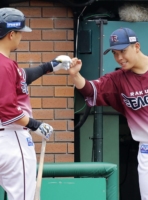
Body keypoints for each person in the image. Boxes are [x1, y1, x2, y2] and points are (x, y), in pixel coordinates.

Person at [65, 27, 148, 199]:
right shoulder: (117, 79)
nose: (119, 57)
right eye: (115, 53)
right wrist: (76, 76)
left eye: (123, 51)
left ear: (136, 46)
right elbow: (91, 90)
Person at [0, 7, 70, 200]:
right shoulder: (4, 64)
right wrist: (35, 125)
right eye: (20, 33)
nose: (21, 37)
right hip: (10, 138)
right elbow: (6, 110)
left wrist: (49, 66)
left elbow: (22, 77)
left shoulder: (7, 66)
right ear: (11, 34)